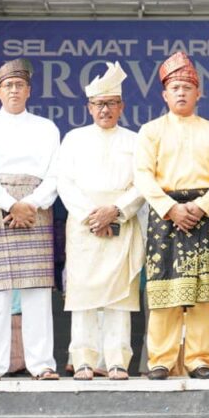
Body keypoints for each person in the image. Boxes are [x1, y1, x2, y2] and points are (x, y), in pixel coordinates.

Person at [134, 52, 209, 380]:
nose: (181, 93)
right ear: (164, 94)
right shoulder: (150, 131)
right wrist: (170, 209)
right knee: (164, 289)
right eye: (174, 87)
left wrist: (202, 206)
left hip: (203, 213)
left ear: (198, 93)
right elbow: (143, 175)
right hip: (166, 213)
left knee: (203, 294)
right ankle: (161, 359)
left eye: (187, 88)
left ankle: (200, 359)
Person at [0, 59, 62, 381]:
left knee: (37, 292)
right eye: (8, 85)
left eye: (19, 85)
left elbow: (54, 175)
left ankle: (42, 364)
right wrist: (10, 204)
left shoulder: (46, 127)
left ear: (29, 90)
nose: (14, 90)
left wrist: (30, 204)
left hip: (36, 209)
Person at [58, 62, 145, 381]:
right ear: (89, 107)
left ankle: (117, 360)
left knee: (119, 296)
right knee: (83, 297)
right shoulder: (73, 139)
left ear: (121, 106)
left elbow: (142, 185)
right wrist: (92, 216)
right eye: (98, 104)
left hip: (122, 223)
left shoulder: (136, 141)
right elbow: (64, 183)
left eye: (110, 103)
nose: (104, 109)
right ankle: (83, 359)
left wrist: (116, 210)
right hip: (84, 226)